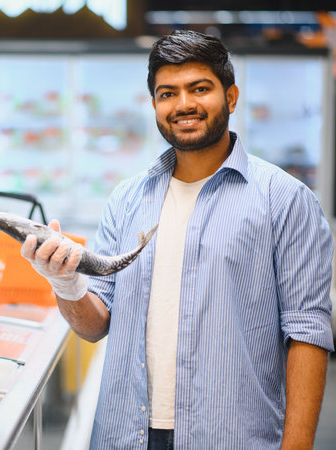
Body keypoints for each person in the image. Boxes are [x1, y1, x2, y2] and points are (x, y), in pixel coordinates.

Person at [21, 30, 334, 449]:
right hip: (124, 434)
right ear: (154, 105)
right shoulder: (127, 198)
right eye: (168, 93)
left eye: (199, 89)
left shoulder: (285, 200)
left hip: (231, 436)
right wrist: (66, 283)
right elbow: (95, 326)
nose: (183, 104)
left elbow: (307, 332)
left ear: (232, 97)